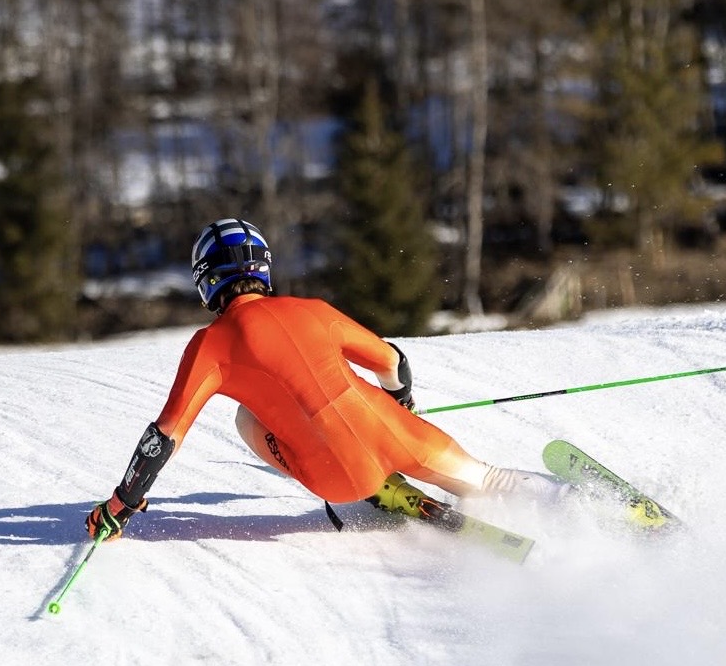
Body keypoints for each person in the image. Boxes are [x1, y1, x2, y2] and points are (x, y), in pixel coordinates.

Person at [85, 217, 568, 541]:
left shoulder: (209, 345)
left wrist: (120, 506)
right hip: (395, 432)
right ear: (262, 267)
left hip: (338, 477)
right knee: (488, 478)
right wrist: (403, 406)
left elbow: (164, 438)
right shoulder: (313, 309)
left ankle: (381, 488)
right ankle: (586, 509)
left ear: (206, 280)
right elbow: (392, 362)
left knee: (247, 417)